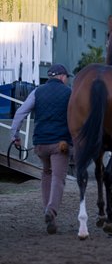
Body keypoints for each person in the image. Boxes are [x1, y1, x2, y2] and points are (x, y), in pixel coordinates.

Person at [11, 64, 72, 234]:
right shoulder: (69, 93)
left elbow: (20, 113)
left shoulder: (37, 91)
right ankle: (51, 210)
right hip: (60, 144)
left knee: (46, 173)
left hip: (40, 144)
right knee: (58, 178)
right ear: (61, 76)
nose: (67, 80)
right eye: (67, 77)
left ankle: (47, 211)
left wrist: (15, 136)